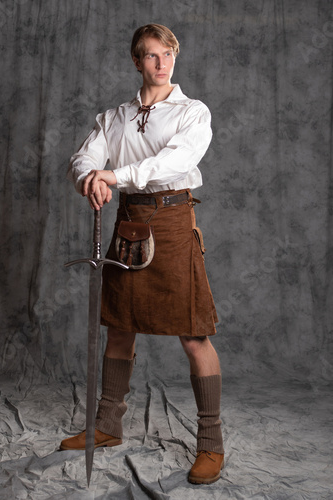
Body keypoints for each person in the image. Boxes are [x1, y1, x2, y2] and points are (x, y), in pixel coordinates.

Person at [61, 23, 224, 485]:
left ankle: (211, 443)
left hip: (172, 223)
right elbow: (83, 158)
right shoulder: (114, 116)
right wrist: (91, 178)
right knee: (120, 328)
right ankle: (107, 426)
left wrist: (115, 175)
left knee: (193, 335)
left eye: (167, 54)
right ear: (137, 61)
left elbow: (175, 160)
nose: (161, 63)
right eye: (151, 56)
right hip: (129, 223)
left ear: (175, 56)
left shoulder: (193, 112)